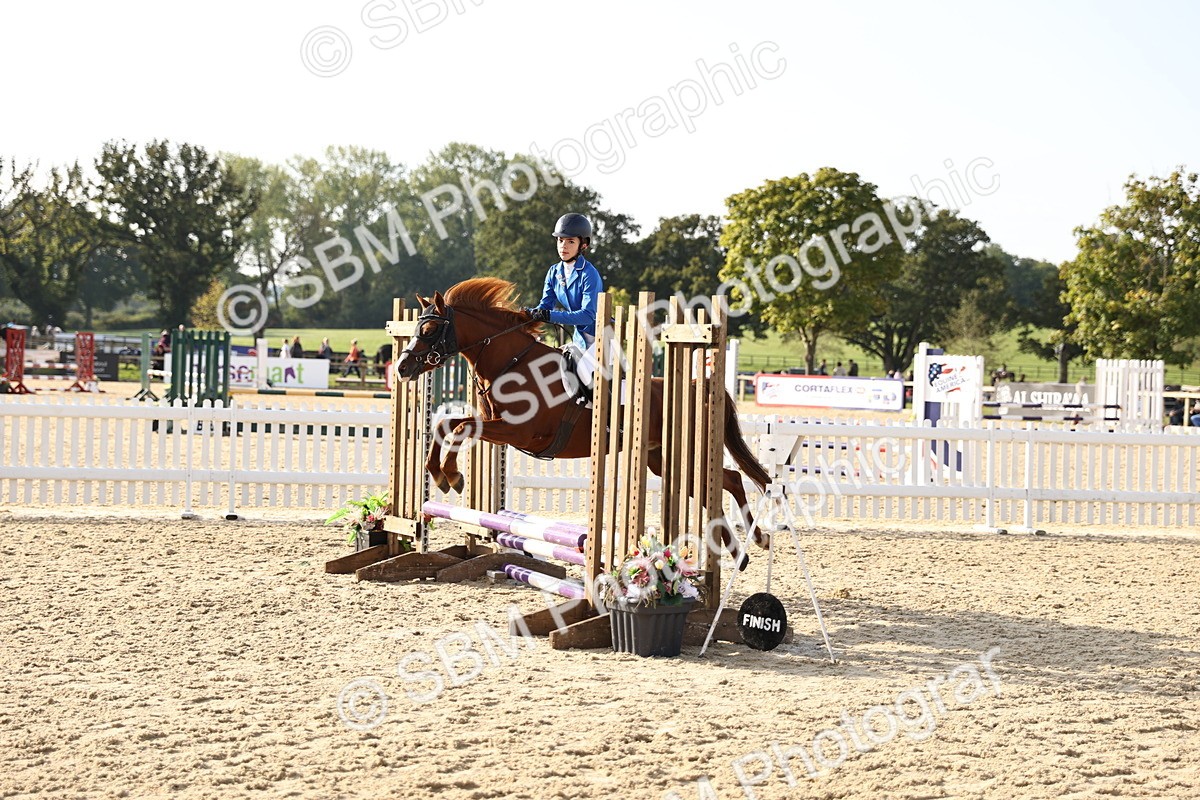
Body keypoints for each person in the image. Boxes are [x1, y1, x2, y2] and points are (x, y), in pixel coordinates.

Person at [523, 213, 603, 395]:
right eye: (560, 241)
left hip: (600, 338)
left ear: (583, 245)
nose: (563, 246)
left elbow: (587, 315)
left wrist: (549, 315)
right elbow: (544, 307)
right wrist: (524, 315)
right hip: (578, 339)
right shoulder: (554, 272)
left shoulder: (589, 274)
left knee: (585, 380)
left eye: (570, 242)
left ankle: (606, 421)